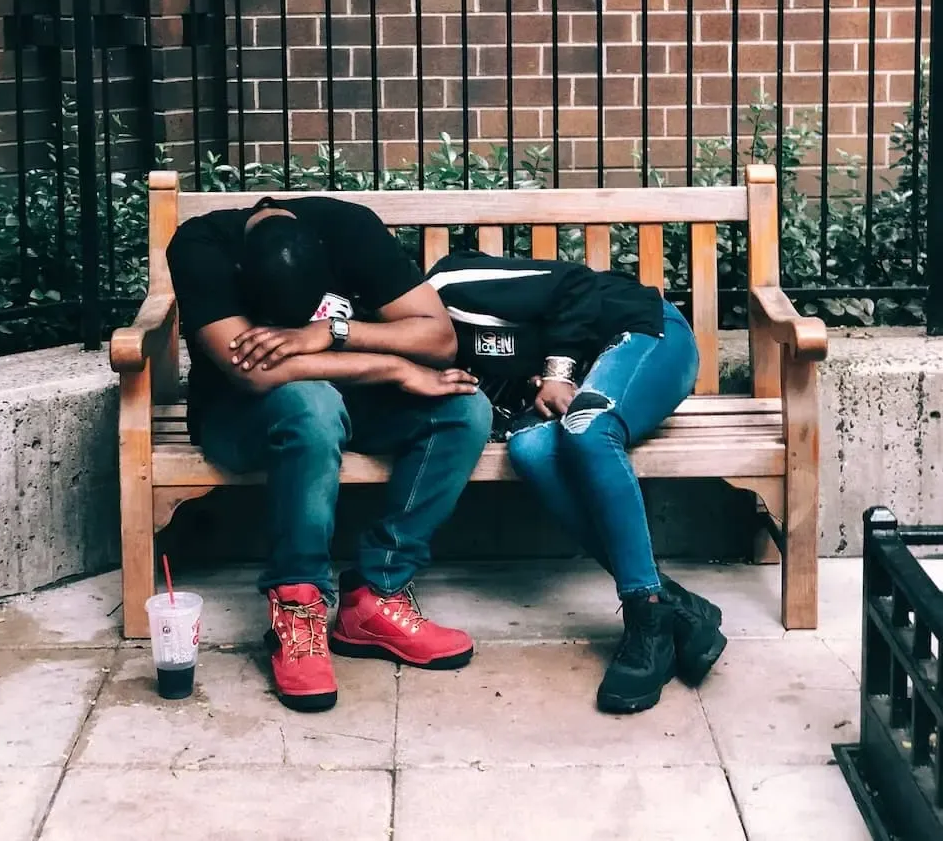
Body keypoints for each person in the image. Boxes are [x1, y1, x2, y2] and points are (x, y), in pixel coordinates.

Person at [166, 195, 492, 713]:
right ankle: (298, 609)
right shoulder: (202, 246)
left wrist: (332, 332)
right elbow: (256, 371)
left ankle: (377, 595)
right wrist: (396, 369)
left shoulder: (349, 229)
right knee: (310, 405)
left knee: (464, 408)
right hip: (240, 415)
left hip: (350, 396)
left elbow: (438, 339)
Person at [427, 247, 727, 714]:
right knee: (529, 450)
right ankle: (672, 605)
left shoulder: (449, 284)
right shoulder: (415, 355)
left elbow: (576, 282)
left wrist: (556, 372)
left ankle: (645, 619)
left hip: (646, 335)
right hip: (587, 381)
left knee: (587, 427)